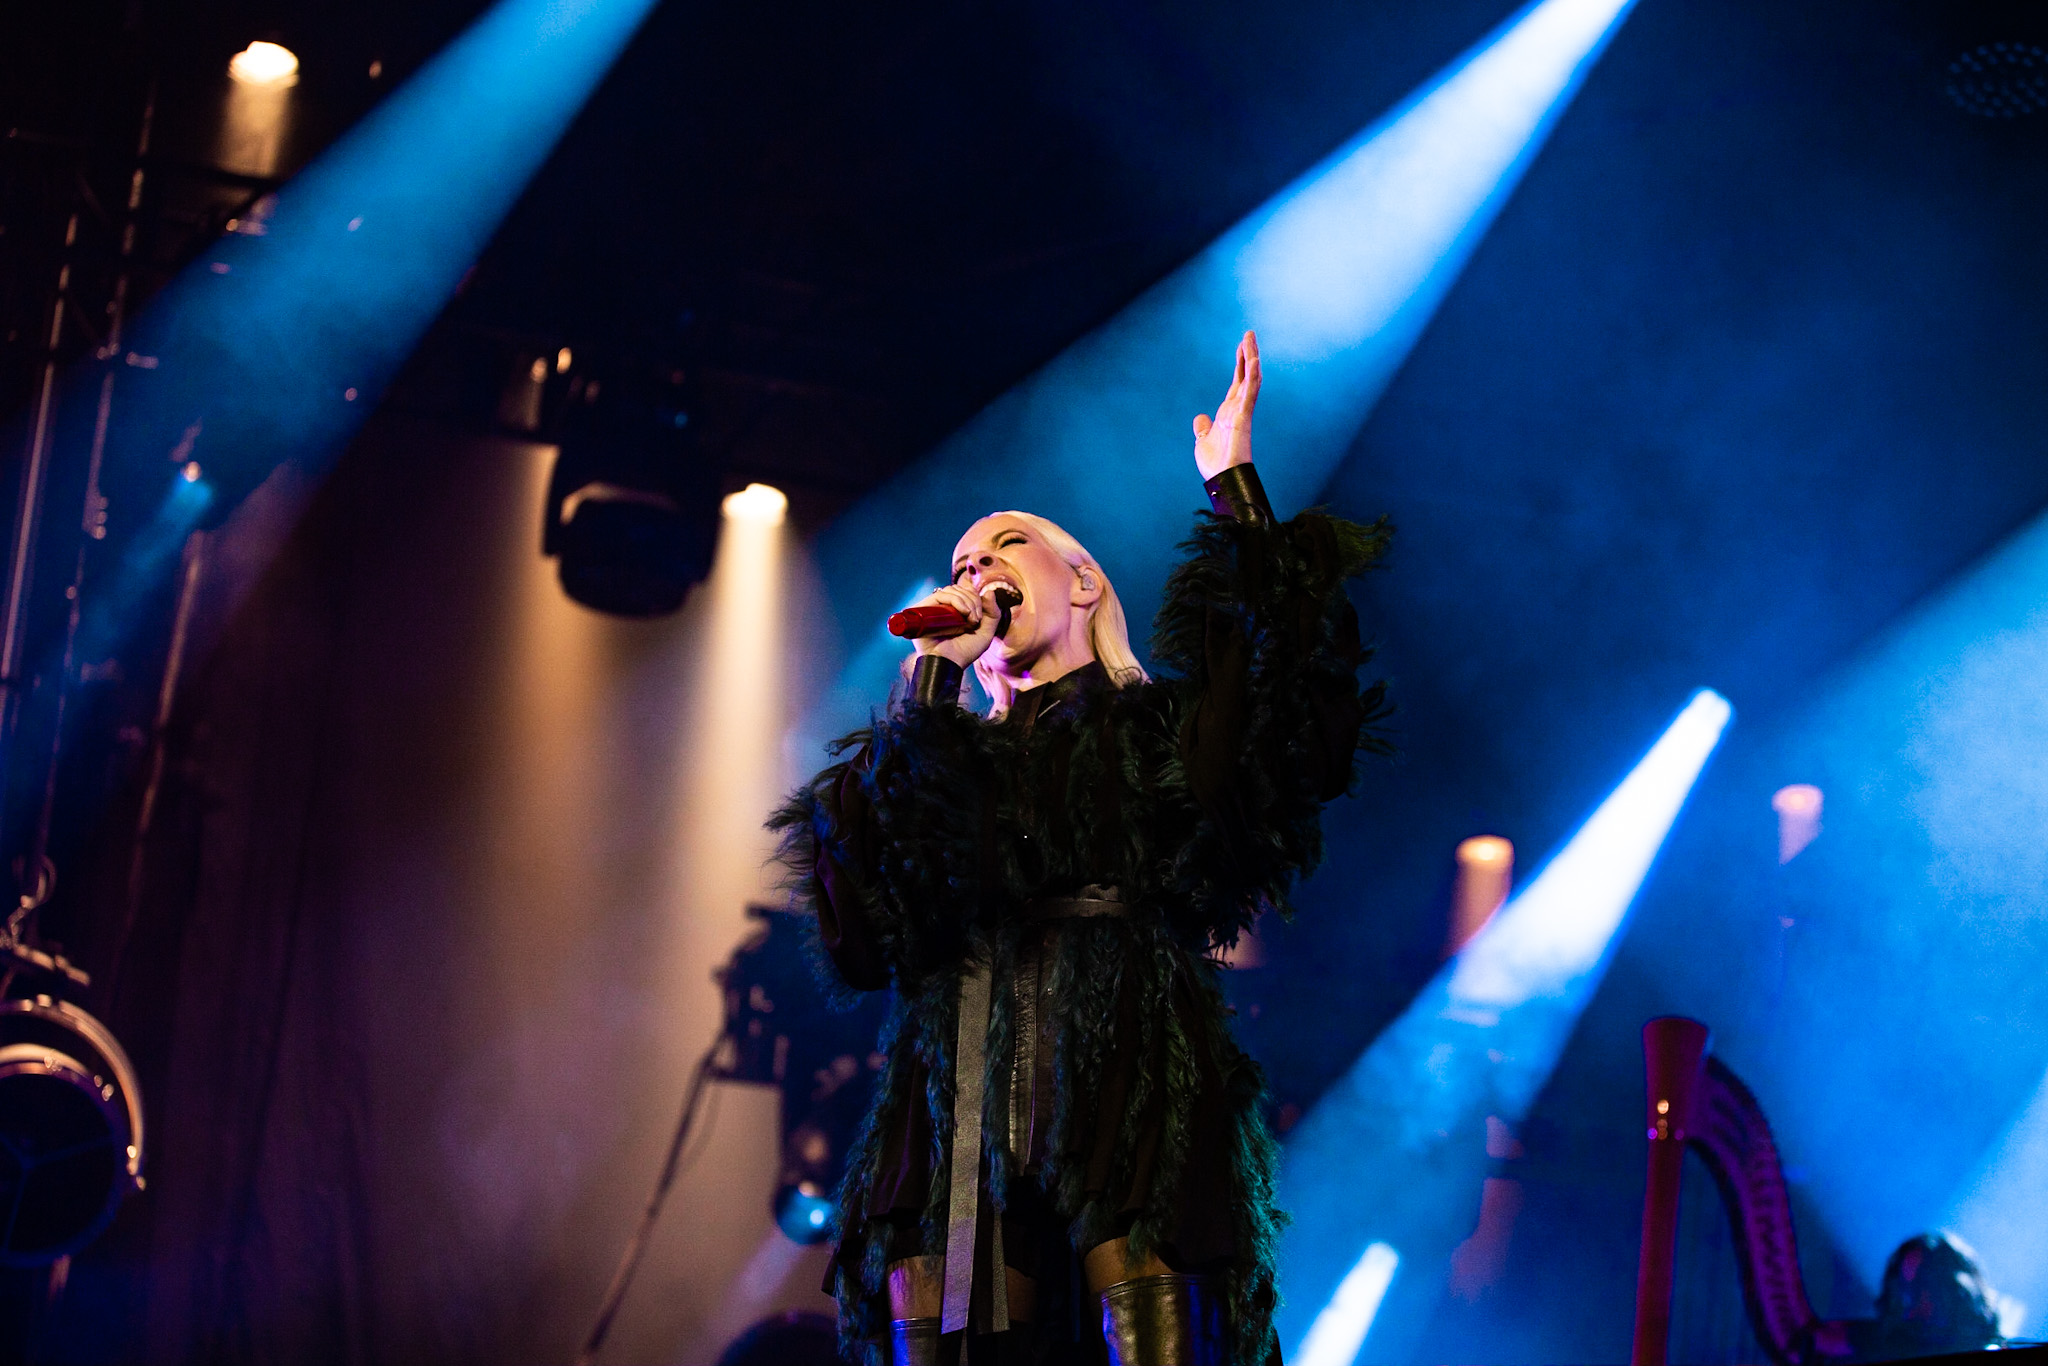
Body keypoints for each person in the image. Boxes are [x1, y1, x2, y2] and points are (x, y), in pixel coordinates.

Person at [773, 332, 1390, 1366]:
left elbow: (1288, 712)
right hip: (960, 1092)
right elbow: (865, 924)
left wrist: (1235, 490)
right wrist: (929, 692)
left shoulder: (1157, 735)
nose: (977, 571)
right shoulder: (945, 765)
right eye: (961, 565)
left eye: (1004, 548)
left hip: (1128, 1077)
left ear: (1085, 584)